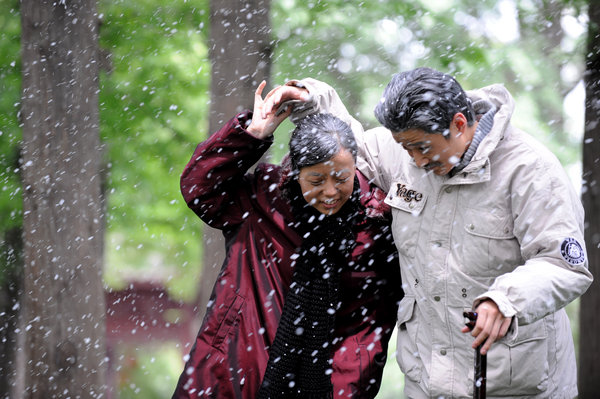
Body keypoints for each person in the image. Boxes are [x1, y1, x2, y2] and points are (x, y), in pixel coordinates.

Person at [264, 68, 593, 398]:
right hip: (426, 382)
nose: (416, 161)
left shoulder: (531, 170)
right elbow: (349, 145)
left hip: (512, 382)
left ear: (459, 124)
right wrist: (312, 98)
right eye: (405, 148)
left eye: (422, 147)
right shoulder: (405, 152)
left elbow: (563, 264)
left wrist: (506, 299)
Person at [171, 81, 402, 399]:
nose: (331, 192)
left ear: (355, 169)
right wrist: (250, 135)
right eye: (317, 180)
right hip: (229, 377)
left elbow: (364, 333)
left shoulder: (372, 229)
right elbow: (200, 189)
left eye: (341, 178)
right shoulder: (262, 200)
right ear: (296, 173)